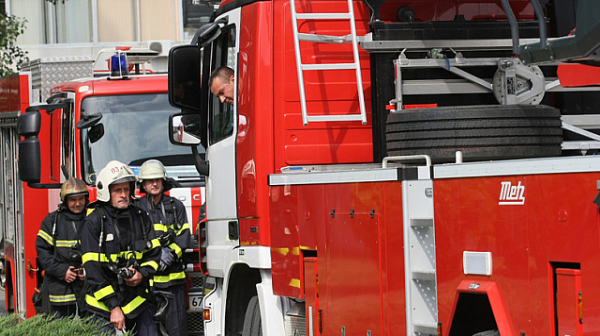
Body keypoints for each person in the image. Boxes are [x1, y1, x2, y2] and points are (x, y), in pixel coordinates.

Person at [80, 160, 161, 336]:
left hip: (136, 301)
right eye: (117, 190)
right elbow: (93, 272)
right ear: (106, 192)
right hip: (102, 306)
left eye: (126, 189)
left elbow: (154, 255)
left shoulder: (141, 217)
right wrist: (113, 307)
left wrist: (142, 274)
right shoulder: (94, 223)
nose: (123, 194)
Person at [136, 159, 190, 336]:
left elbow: (184, 235)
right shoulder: (135, 209)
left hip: (174, 282)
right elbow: (134, 240)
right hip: (146, 285)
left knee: (177, 331)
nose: (154, 183)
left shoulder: (176, 206)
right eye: (150, 180)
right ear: (143, 184)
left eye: (157, 179)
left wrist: (171, 252)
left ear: (163, 181)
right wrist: (156, 254)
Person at [36, 177, 88, 318]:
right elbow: (43, 252)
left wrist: (88, 270)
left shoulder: (93, 219)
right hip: (59, 292)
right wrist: (62, 271)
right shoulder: (52, 221)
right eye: (73, 200)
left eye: (81, 199)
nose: (77, 204)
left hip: (87, 292)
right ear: (65, 200)